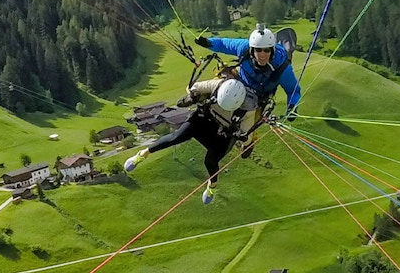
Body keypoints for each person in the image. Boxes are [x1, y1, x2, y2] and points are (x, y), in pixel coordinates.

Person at [124, 78, 257, 204]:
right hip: (204, 119)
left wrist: (245, 142)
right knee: (176, 137)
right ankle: (143, 154)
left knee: (210, 160)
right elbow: (195, 87)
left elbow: (247, 132)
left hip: (222, 133)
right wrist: (193, 95)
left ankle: (212, 185)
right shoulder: (218, 85)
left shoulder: (248, 110)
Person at [194, 23, 301, 159]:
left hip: (259, 97)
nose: (262, 55)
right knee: (219, 85)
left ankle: (249, 142)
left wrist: (292, 106)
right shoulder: (243, 48)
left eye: (267, 50)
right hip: (240, 84)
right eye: (258, 50)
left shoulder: (282, 68)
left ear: (272, 50)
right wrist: (208, 43)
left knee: (249, 125)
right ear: (251, 50)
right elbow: (223, 43)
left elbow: (293, 91)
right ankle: (196, 94)